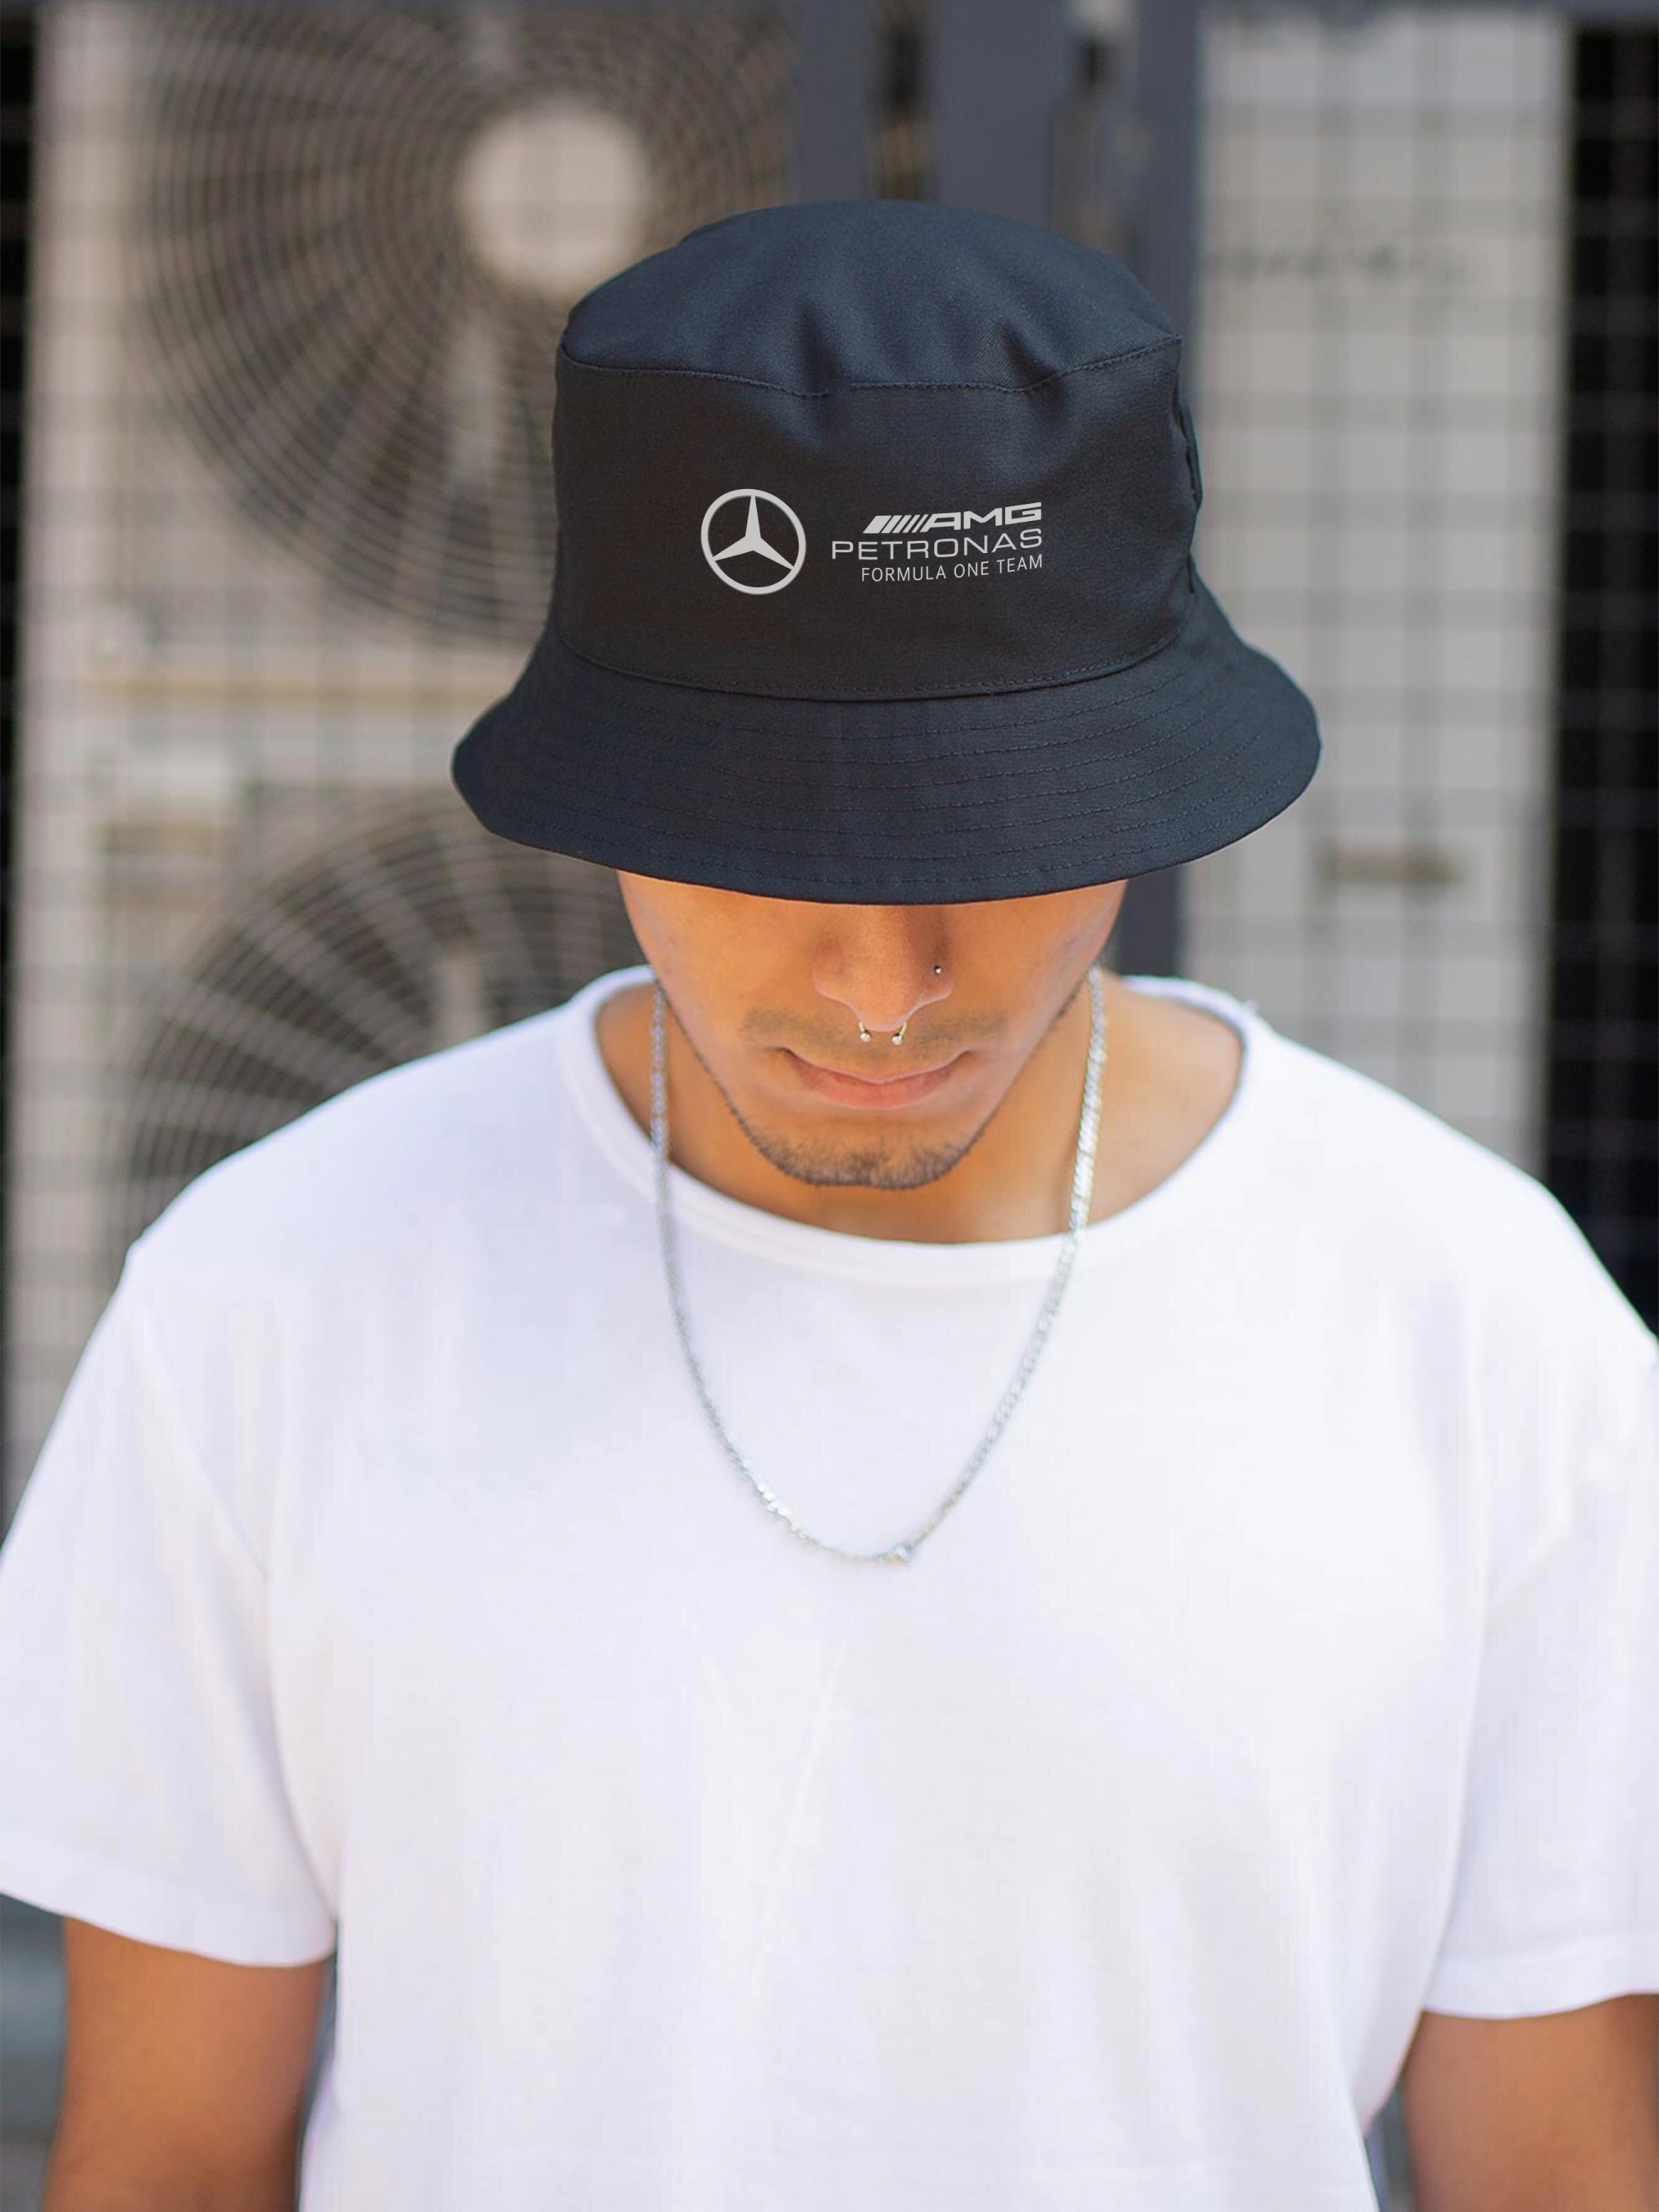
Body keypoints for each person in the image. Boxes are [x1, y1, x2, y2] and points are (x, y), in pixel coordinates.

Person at [1, 200, 1654, 2212]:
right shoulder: (277, 1300)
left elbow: (1557, 2177)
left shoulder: (1473, 1329)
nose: (882, 989)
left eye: (994, 840)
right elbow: (167, 2162)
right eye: (762, 844)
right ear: (612, 790)